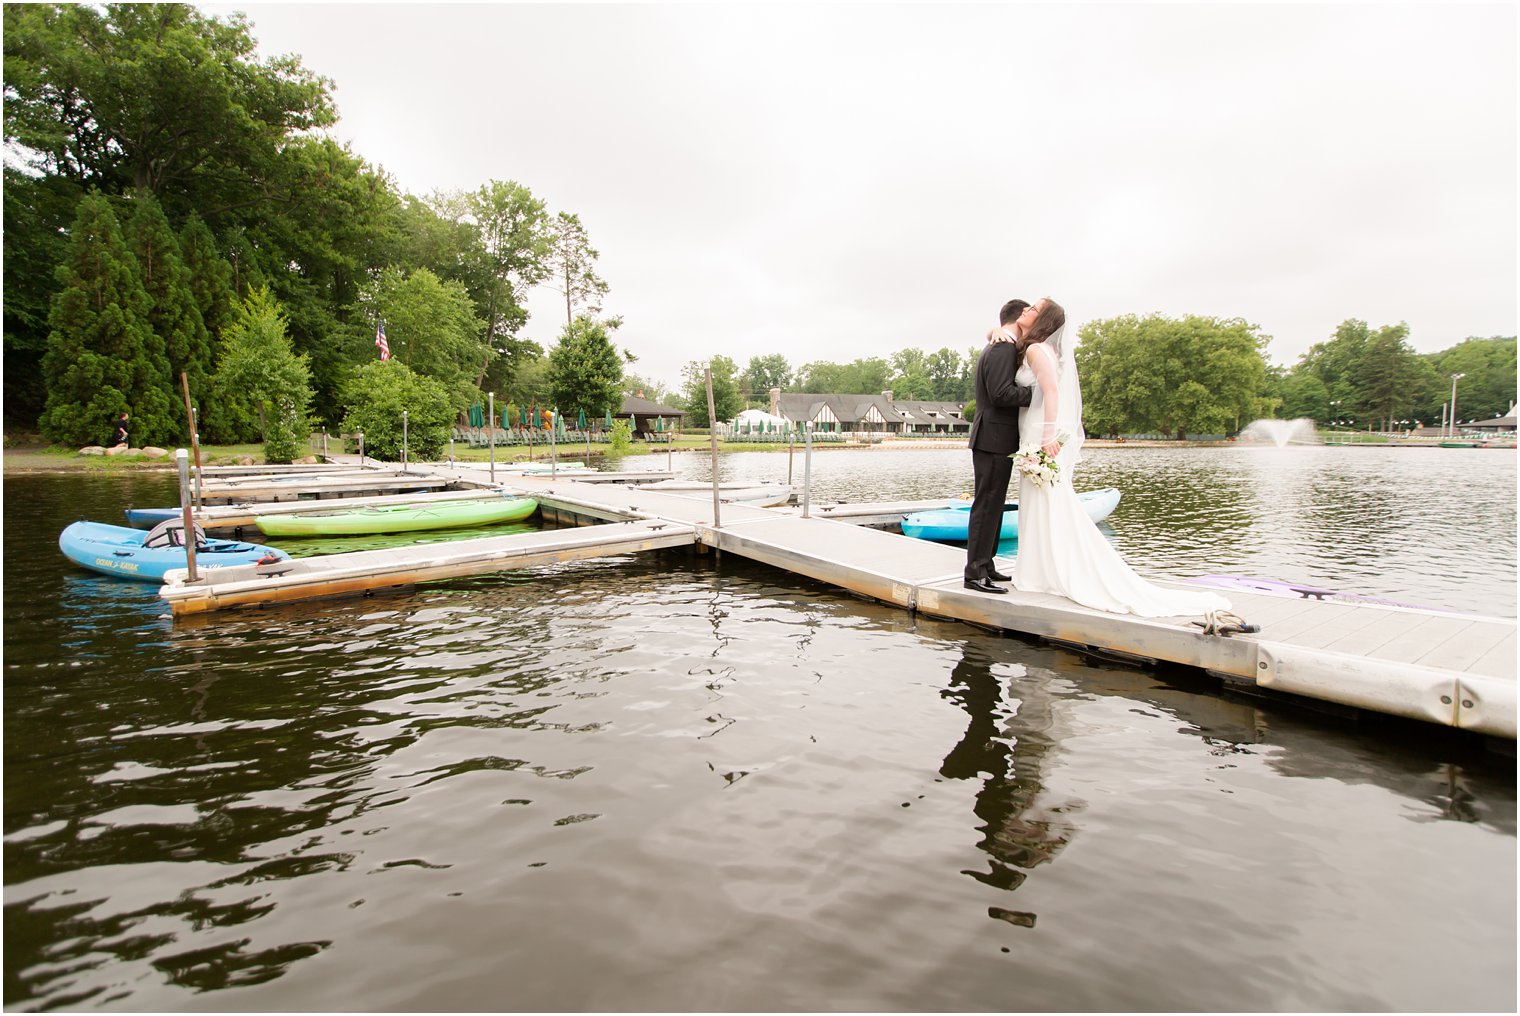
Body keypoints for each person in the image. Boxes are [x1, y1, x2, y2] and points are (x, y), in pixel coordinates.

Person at [1010, 298, 1231, 617]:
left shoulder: (1036, 350)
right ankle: (1039, 570)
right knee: (1043, 501)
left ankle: (1042, 572)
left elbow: (1053, 393)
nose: (1027, 310)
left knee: (1046, 501)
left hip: (1038, 434)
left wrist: (1046, 437)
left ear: (1044, 320)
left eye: (1034, 309)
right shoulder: (1041, 349)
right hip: (1034, 432)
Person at [963, 298, 1034, 593]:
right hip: (992, 437)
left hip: (996, 437)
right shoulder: (1003, 347)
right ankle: (974, 573)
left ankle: (986, 564)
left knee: (994, 504)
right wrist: (1035, 393)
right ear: (1018, 316)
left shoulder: (1003, 343)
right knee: (986, 505)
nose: (1032, 315)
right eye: (1029, 311)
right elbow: (1001, 394)